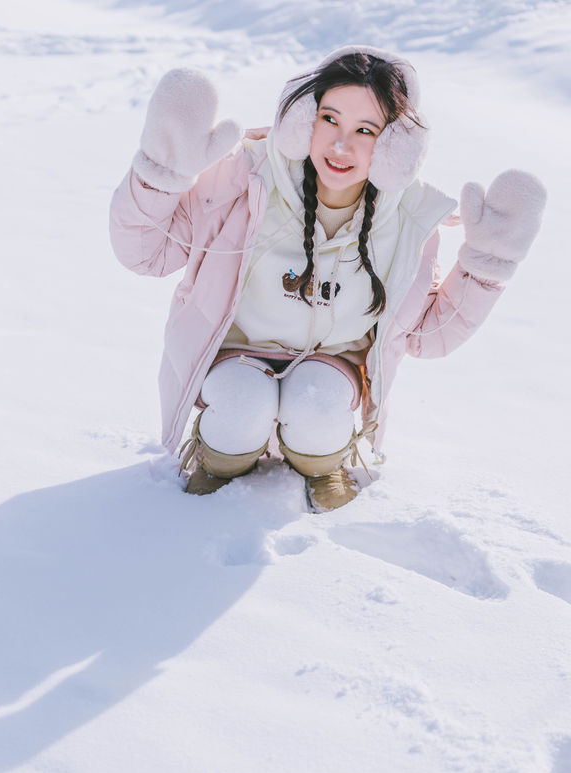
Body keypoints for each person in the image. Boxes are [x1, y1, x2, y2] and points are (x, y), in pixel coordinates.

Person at [109, 45, 546, 511]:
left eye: (366, 130)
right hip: (234, 356)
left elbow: (425, 335)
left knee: (316, 405)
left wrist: (483, 267)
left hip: (331, 364)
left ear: (396, 146)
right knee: (241, 404)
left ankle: (324, 464)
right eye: (329, 118)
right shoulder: (246, 179)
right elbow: (146, 254)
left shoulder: (408, 219)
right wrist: (161, 175)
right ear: (302, 119)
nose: (341, 144)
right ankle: (216, 466)